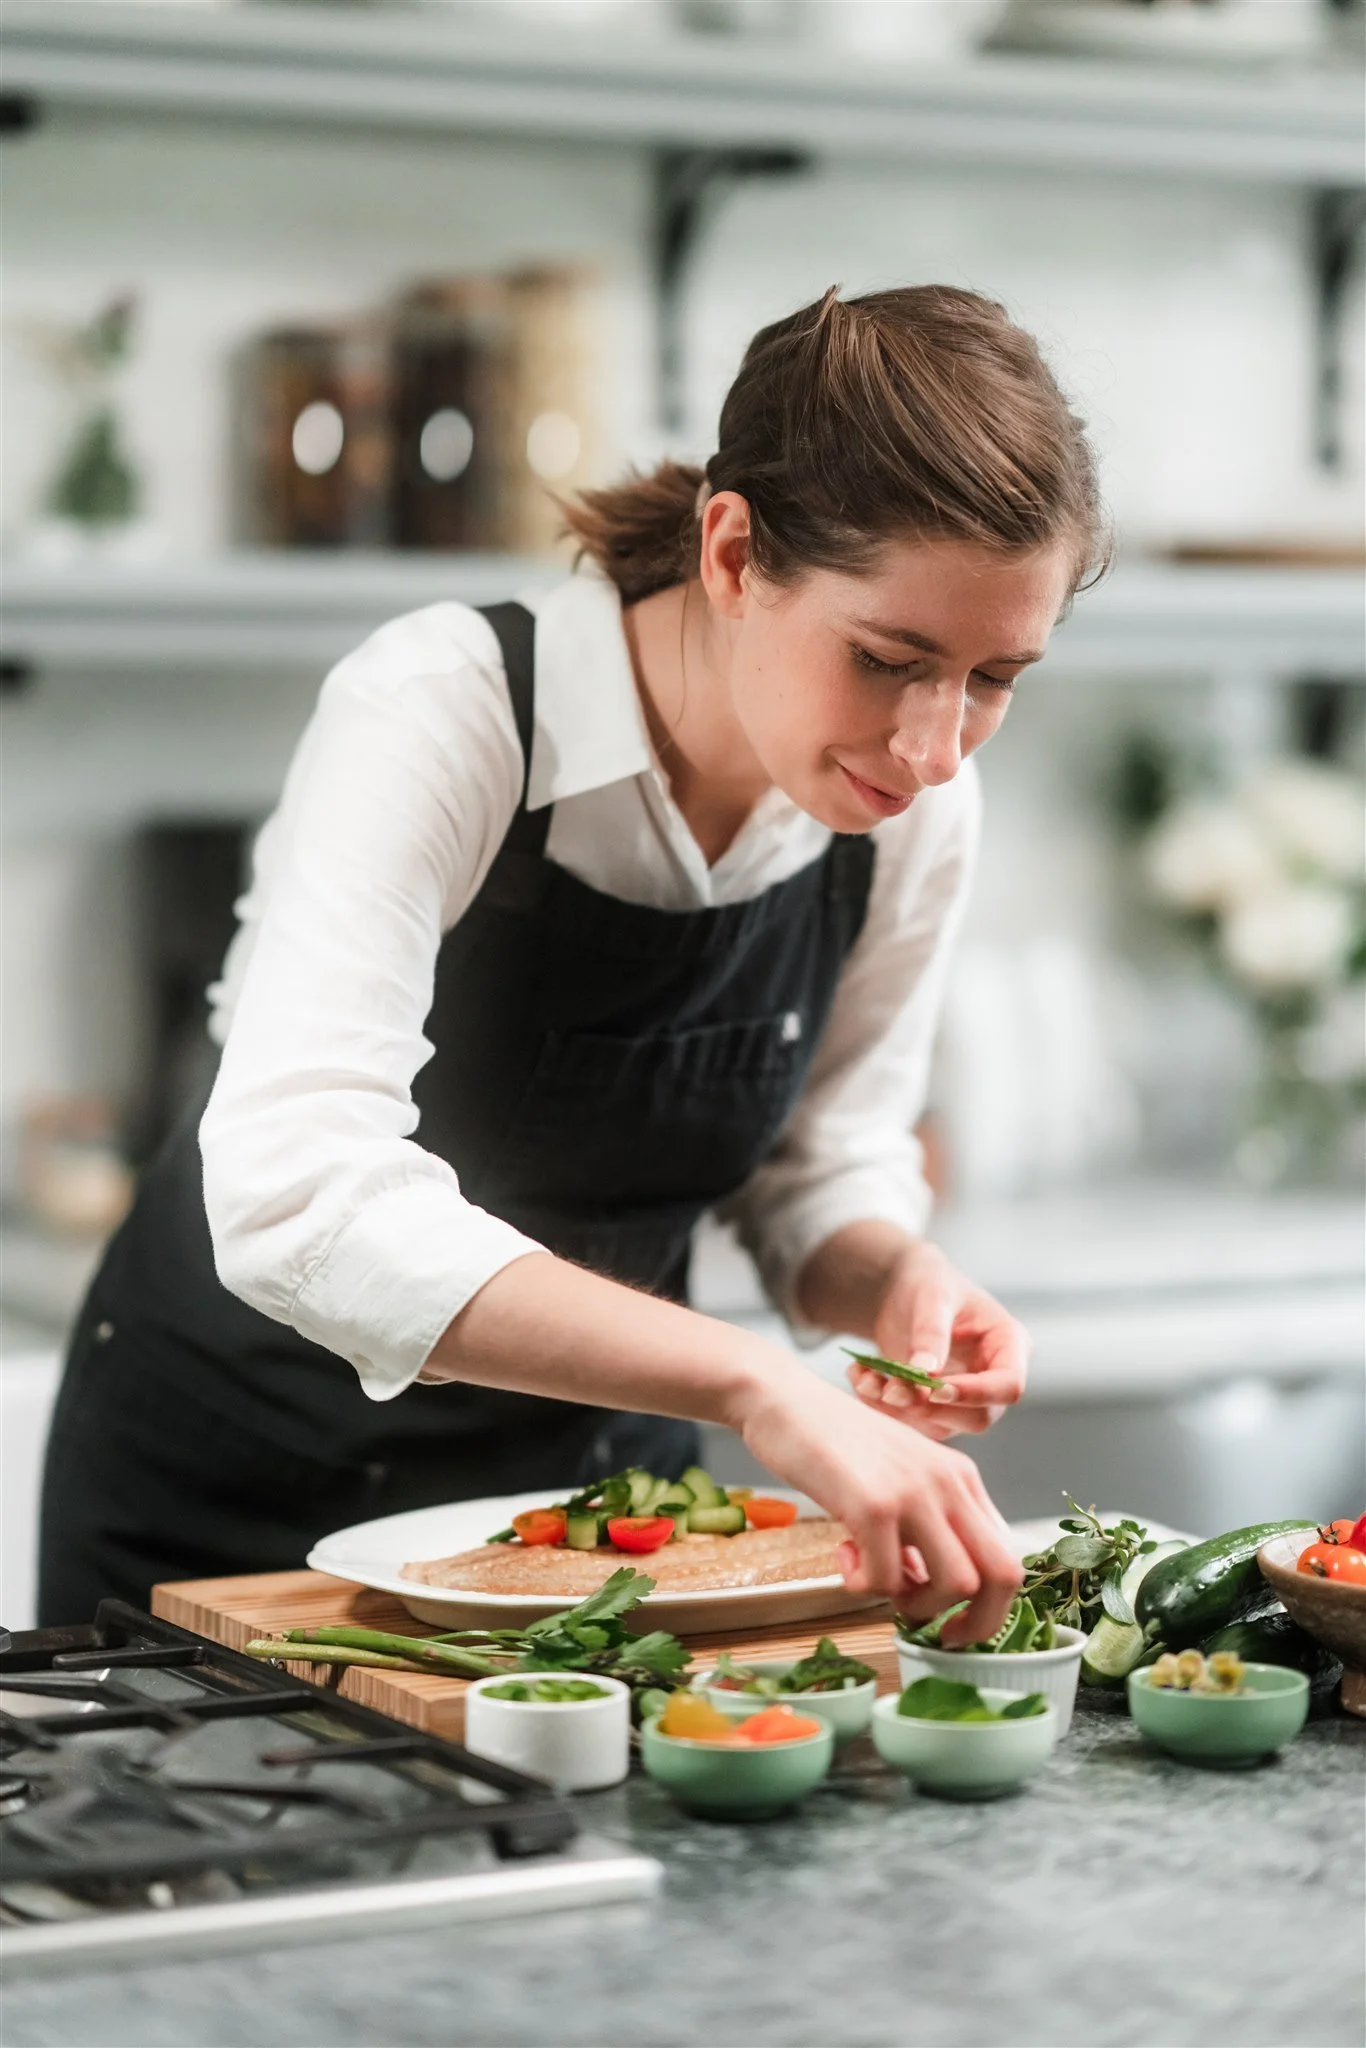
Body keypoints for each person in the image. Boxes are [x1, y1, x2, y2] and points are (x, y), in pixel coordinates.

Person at [39, 284, 1107, 1645]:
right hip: (237, 1519)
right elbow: (298, 1196)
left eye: (996, 677)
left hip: (599, 1528)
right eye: (887, 659)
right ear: (731, 553)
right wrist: (756, 1382)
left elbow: (819, 1163)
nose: (933, 745)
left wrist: (884, 1275)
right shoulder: (449, 709)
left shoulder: (909, 814)